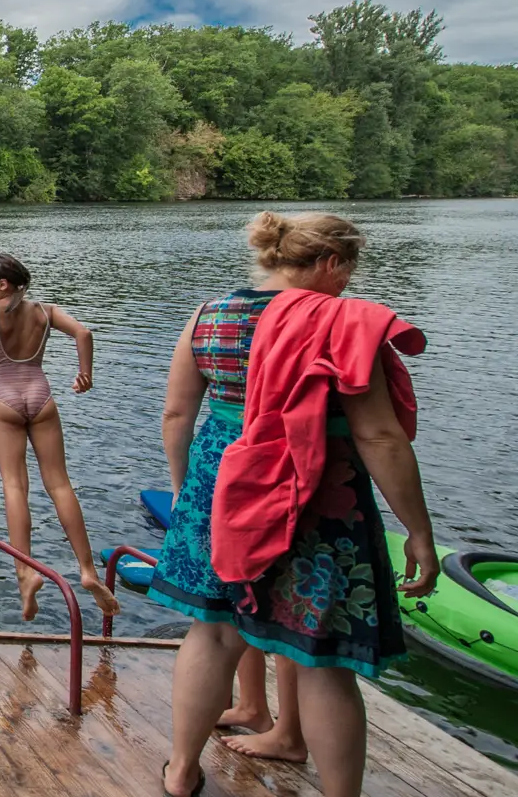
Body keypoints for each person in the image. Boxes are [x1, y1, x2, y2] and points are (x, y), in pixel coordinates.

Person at [154, 212, 439, 797]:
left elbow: (177, 415)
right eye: (349, 269)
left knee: (210, 633)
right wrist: (418, 530)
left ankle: (181, 772)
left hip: (220, 484)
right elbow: (379, 437)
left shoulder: (209, 317)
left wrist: (186, 491)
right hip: (317, 494)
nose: (349, 283)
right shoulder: (343, 324)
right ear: (331, 262)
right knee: (321, 654)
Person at [0, 254, 118, 621]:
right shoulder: (46, 311)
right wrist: (85, 374)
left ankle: (25, 572)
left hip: (4, 401)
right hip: (41, 397)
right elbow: (85, 332)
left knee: (15, 486)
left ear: (1, 285)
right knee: (61, 485)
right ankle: (88, 571)